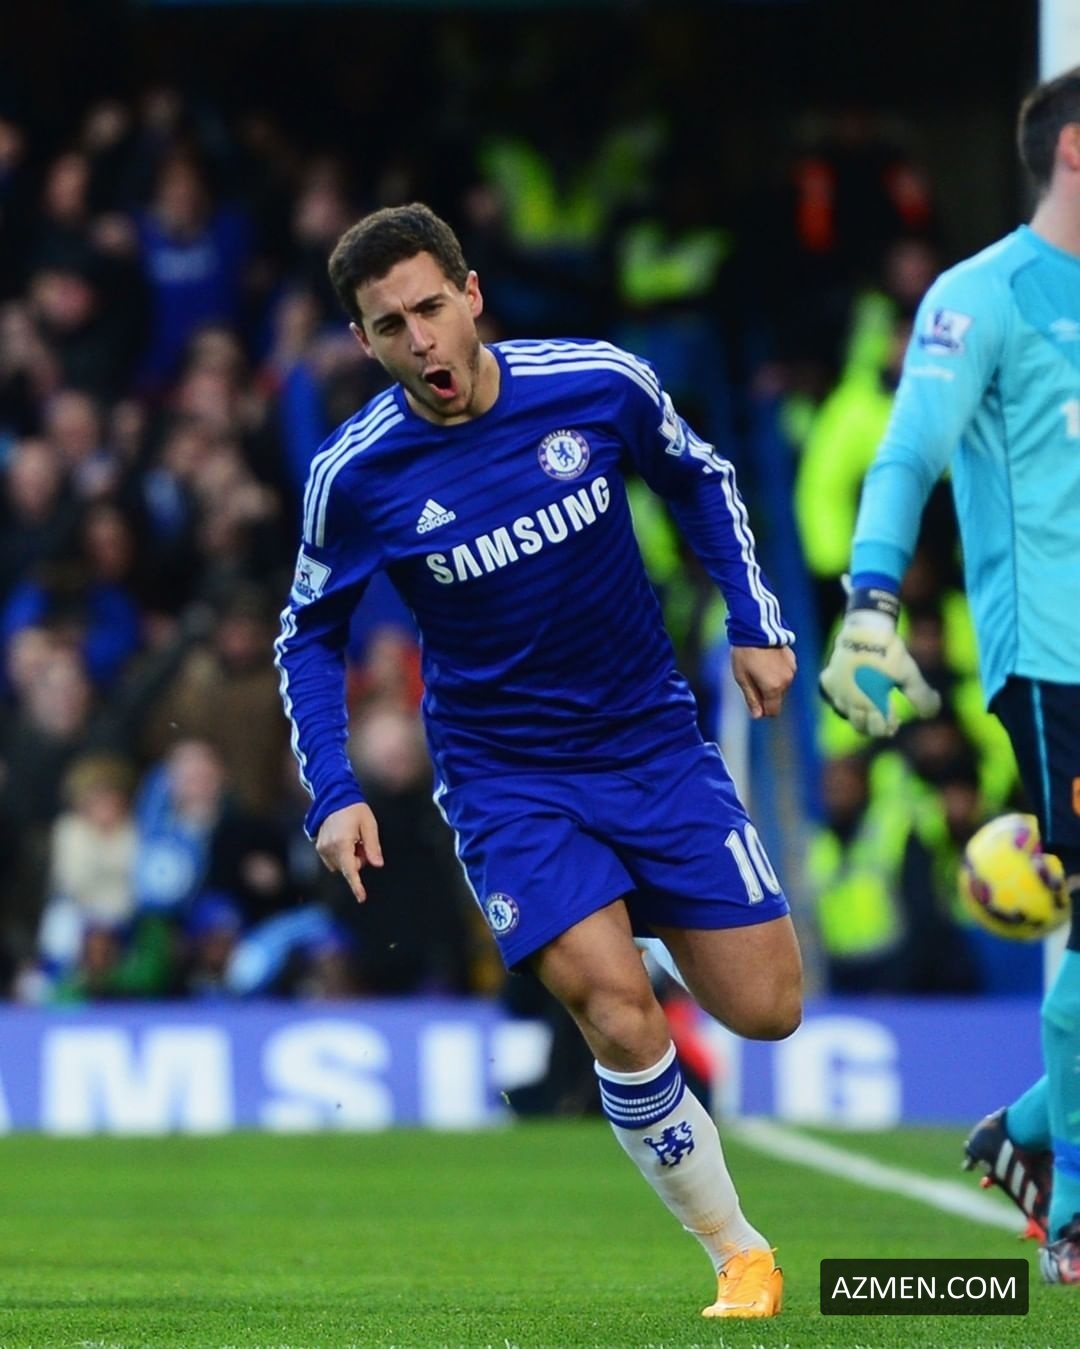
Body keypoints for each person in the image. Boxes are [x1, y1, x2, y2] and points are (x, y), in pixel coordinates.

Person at [276, 202, 801, 1319]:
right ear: (363, 342)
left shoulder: (597, 383)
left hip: (652, 744)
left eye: (430, 308)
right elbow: (308, 634)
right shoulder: (356, 473)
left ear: (472, 296)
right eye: (389, 326)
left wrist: (754, 618)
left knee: (768, 1007)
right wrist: (334, 788)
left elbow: (699, 477)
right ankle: (738, 1253)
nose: (420, 340)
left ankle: (625, 909)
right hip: (507, 779)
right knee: (617, 1012)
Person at [820, 67, 1080, 1283]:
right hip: (1058, 658)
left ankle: (1024, 1130)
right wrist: (873, 599)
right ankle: (1071, 1200)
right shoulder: (981, 298)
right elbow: (907, 449)